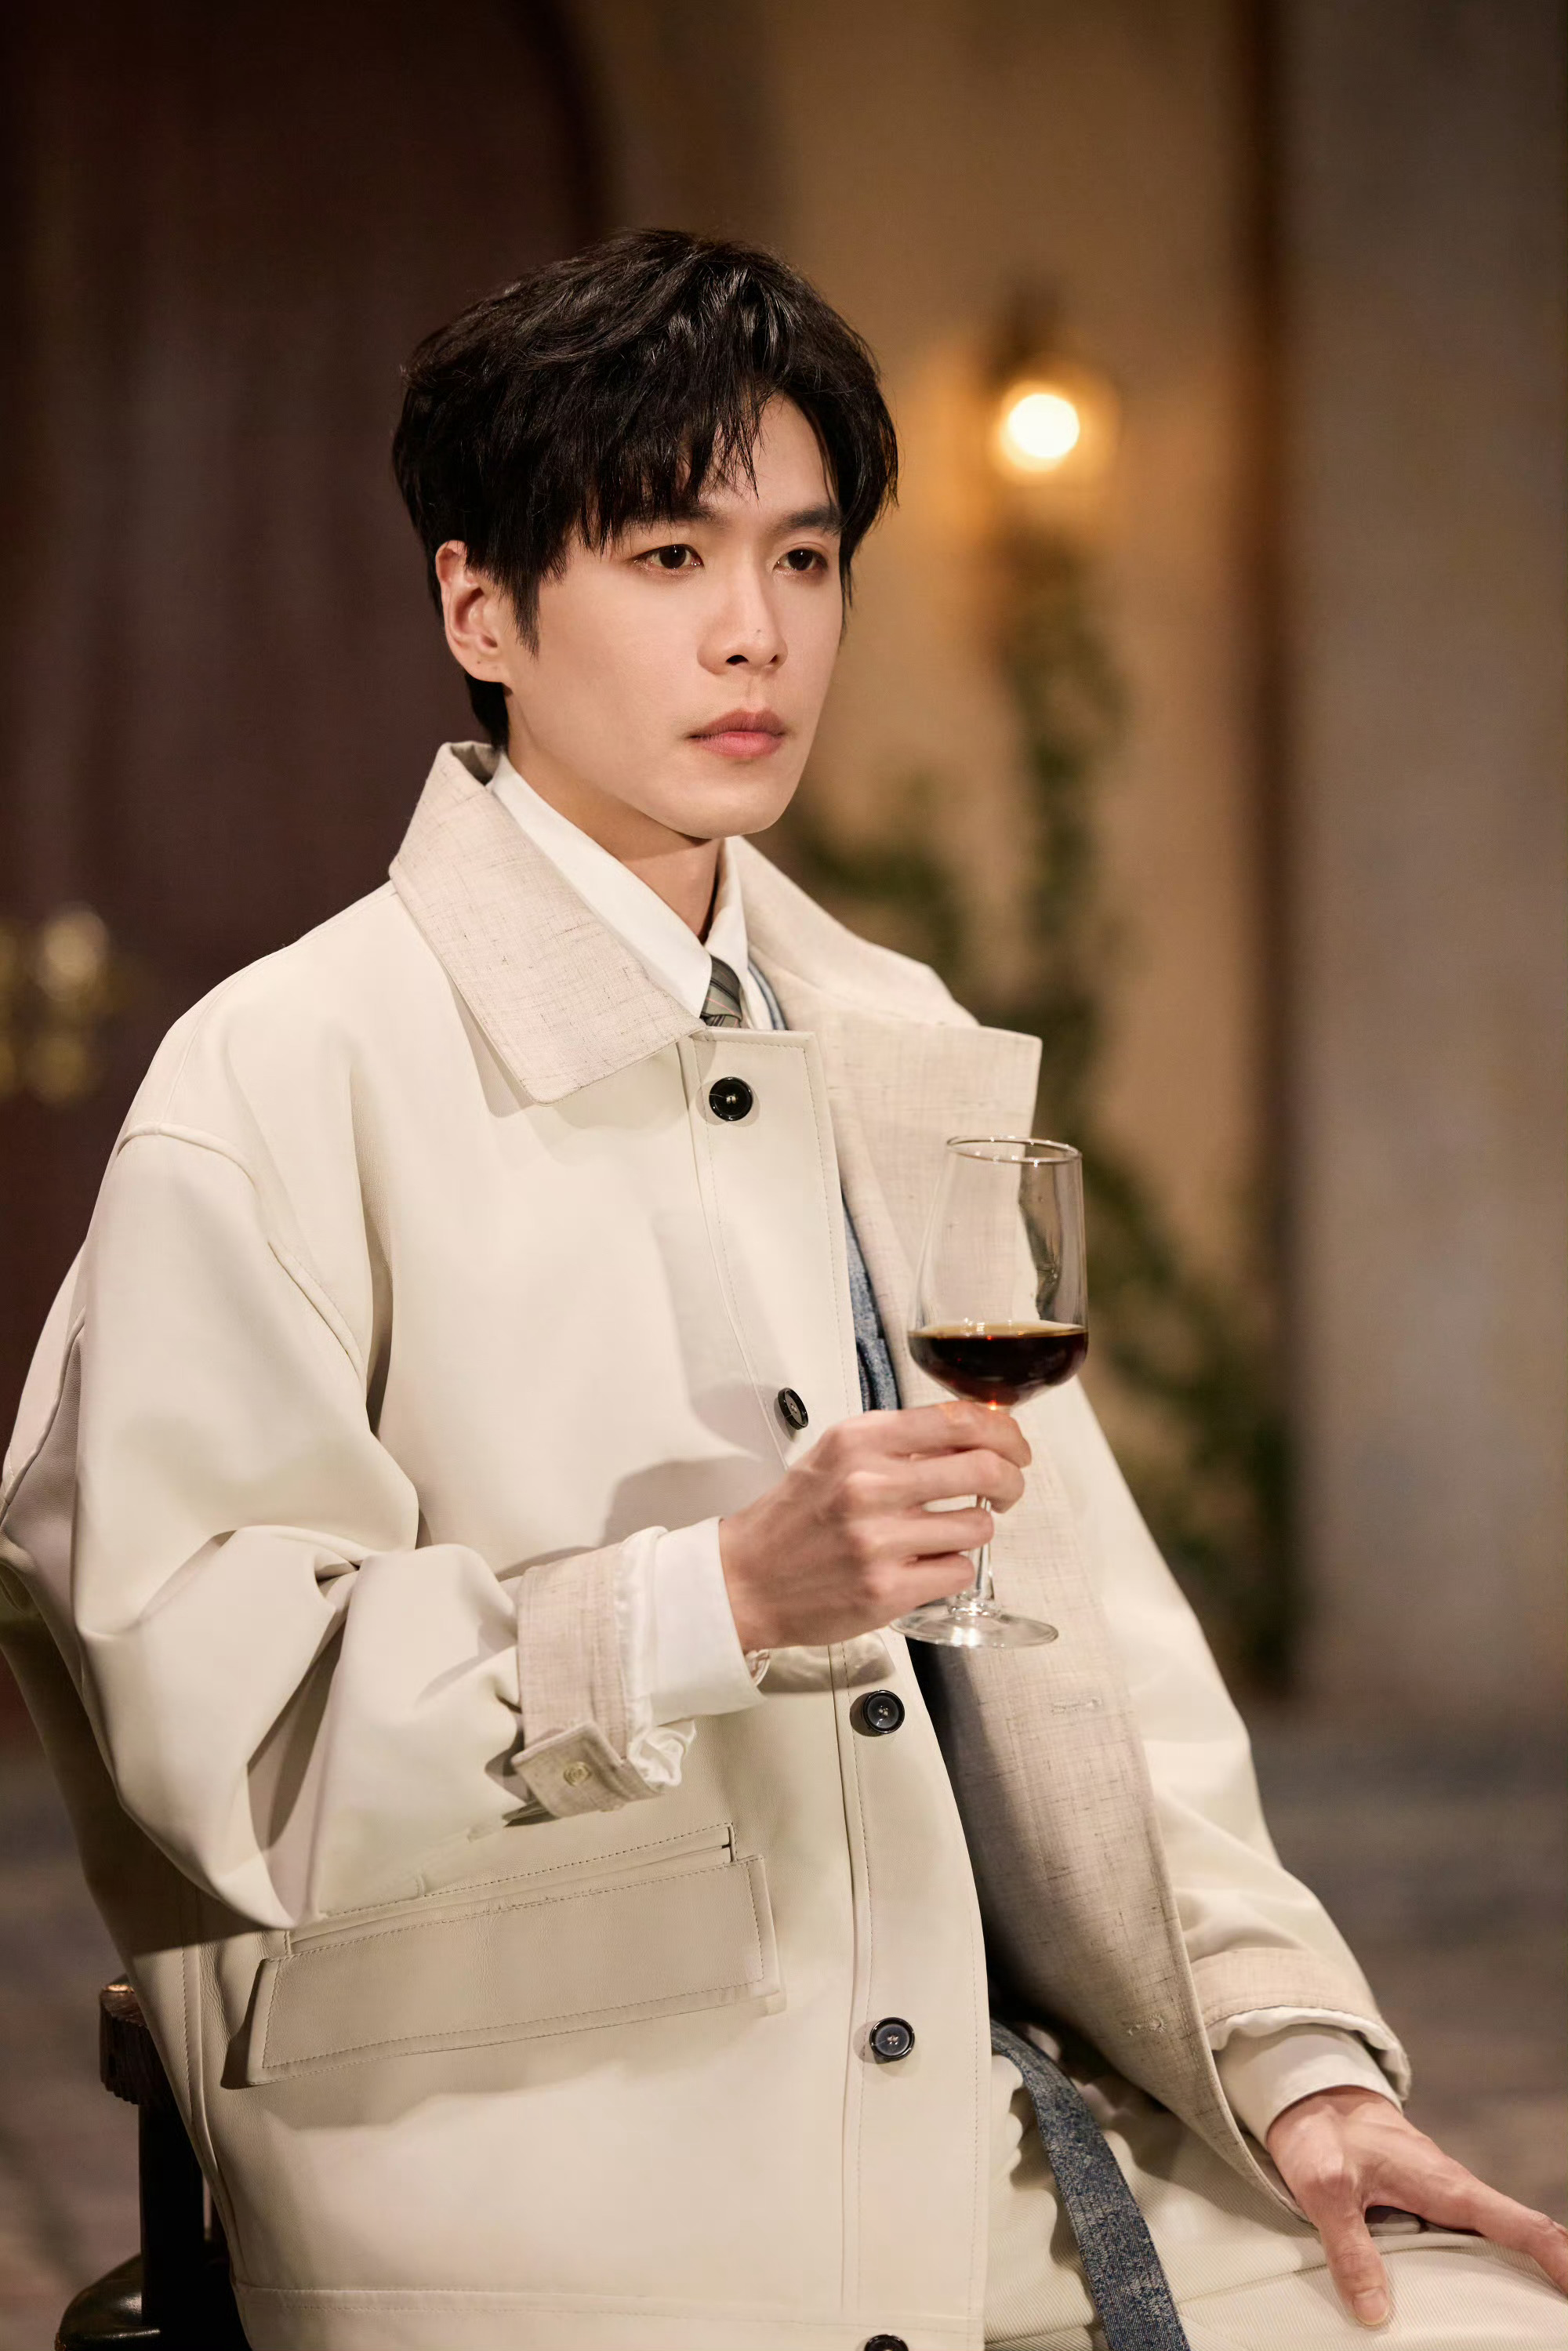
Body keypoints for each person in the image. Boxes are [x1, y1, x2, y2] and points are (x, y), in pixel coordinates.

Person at [2, 230, 1563, 2351]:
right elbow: (213, 1722)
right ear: (479, 606)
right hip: (538, 2161)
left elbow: (1091, 1655)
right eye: (668, 556)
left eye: (806, 559)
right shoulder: (280, 1075)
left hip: (955, 2130)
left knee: (1495, 2321)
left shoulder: (888, 1040)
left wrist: (1290, 2062)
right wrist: (717, 1597)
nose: (757, 633)